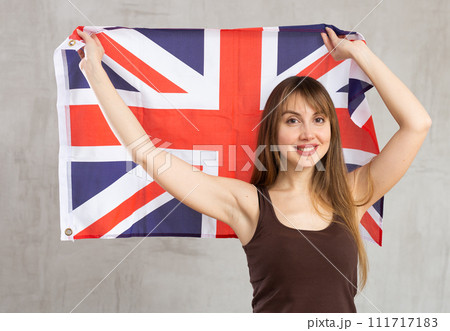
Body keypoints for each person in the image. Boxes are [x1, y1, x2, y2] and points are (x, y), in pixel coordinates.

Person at [76, 26, 431, 313]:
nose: (308, 133)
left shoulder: (351, 197)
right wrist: (95, 73)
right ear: (273, 132)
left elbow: (417, 124)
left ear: (330, 131)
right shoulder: (248, 203)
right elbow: (148, 155)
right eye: (293, 120)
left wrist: (358, 53)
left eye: (319, 119)